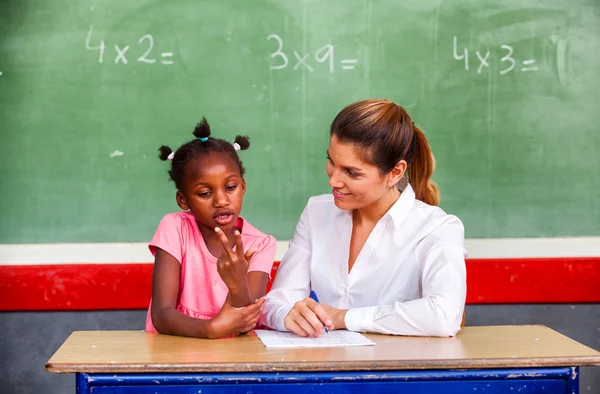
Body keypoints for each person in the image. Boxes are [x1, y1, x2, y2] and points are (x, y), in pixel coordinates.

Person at [261, 100, 467, 338]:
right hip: (321, 369)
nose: (333, 181)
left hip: (396, 373)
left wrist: (345, 317)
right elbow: (276, 303)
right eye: (331, 162)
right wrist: (287, 315)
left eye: (351, 172)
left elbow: (443, 316)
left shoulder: (436, 228)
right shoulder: (317, 212)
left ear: (395, 173)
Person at [146, 117, 276, 338]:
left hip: (233, 359)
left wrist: (237, 284)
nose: (221, 200)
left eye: (230, 187)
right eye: (205, 193)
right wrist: (210, 329)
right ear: (183, 200)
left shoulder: (261, 245)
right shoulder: (175, 228)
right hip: (173, 353)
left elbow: (247, 322)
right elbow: (162, 314)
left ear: (243, 186)